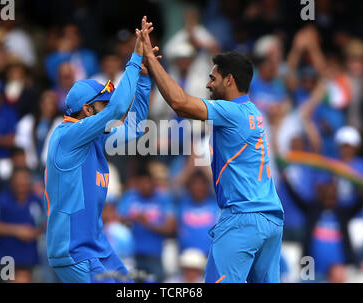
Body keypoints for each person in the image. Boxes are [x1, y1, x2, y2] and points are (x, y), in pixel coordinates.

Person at [138, 18, 284, 283]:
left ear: (229, 80)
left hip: (242, 218)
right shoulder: (253, 112)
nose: (207, 85)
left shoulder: (231, 112)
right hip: (271, 220)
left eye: (212, 78)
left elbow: (180, 103)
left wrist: (150, 57)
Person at [44, 17, 158, 283]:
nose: (108, 109)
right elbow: (119, 109)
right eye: (102, 104)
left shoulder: (94, 137)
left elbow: (136, 128)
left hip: (97, 245)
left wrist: (142, 79)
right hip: (73, 251)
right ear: (87, 110)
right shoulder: (67, 135)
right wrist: (134, 57)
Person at [117, 169, 176, 283]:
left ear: (154, 183)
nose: (145, 186)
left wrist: (147, 223)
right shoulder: (130, 196)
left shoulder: (163, 198)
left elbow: (170, 228)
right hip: (132, 255)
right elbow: (117, 220)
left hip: (154, 255)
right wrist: (131, 218)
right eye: (142, 183)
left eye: (148, 182)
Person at [0, 167, 44, 283]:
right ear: (12, 181)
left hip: (30, 259)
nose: (21, 183)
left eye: (24, 179)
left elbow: (44, 224)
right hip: (6, 258)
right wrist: (16, 231)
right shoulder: (2, 200)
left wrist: (34, 233)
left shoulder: (36, 200)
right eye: (18, 179)